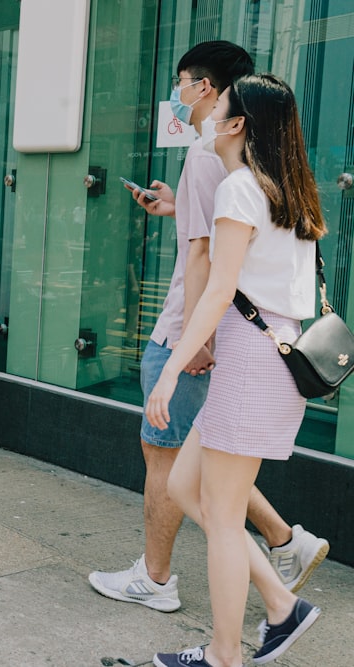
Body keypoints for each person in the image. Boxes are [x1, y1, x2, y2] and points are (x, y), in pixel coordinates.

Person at [89, 42, 328, 616]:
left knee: (181, 473)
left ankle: (165, 581)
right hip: (256, 346)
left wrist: (188, 347)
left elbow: (206, 263)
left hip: (214, 337)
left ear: (211, 93)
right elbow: (224, 242)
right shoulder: (273, 178)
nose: (181, 96)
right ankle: (282, 553)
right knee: (205, 476)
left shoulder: (218, 163)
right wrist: (176, 208)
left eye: (183, 83)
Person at [147, 74, 326, 667]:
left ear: (236, 123)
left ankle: (224, 655)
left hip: (253, 360)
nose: (205, 110)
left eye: (217, 103)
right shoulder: (280, 188)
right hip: (270, 356)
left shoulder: (241, 188)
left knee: (222, 517)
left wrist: (172, 370)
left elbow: (220, 289)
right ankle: (281, 604)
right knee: (182, 486)